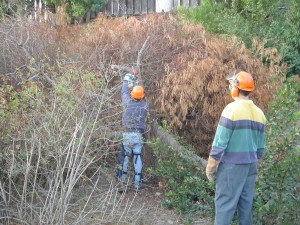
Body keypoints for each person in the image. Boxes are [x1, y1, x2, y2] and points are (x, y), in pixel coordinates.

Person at [205, 71, 266, 225]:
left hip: (231, 168)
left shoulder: (231, 110)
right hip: (251, 166)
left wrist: (211, 167)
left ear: (236, 88)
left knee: (225, 207)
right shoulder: (260, 114)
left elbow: (219, 144)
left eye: (231, 85)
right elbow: (260, 150)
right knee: (246, 208)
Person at [116, 72, 149, 191]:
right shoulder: (145, 105)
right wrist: (136, 83)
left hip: (127, 135)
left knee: (124, 158)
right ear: (142, 96)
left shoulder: (127, 102)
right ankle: (137, 184)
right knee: (137, 158)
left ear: (132, 95)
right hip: (138, 136)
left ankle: (121, 184)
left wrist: (126, 81)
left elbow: (123, 92)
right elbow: (141, 96)